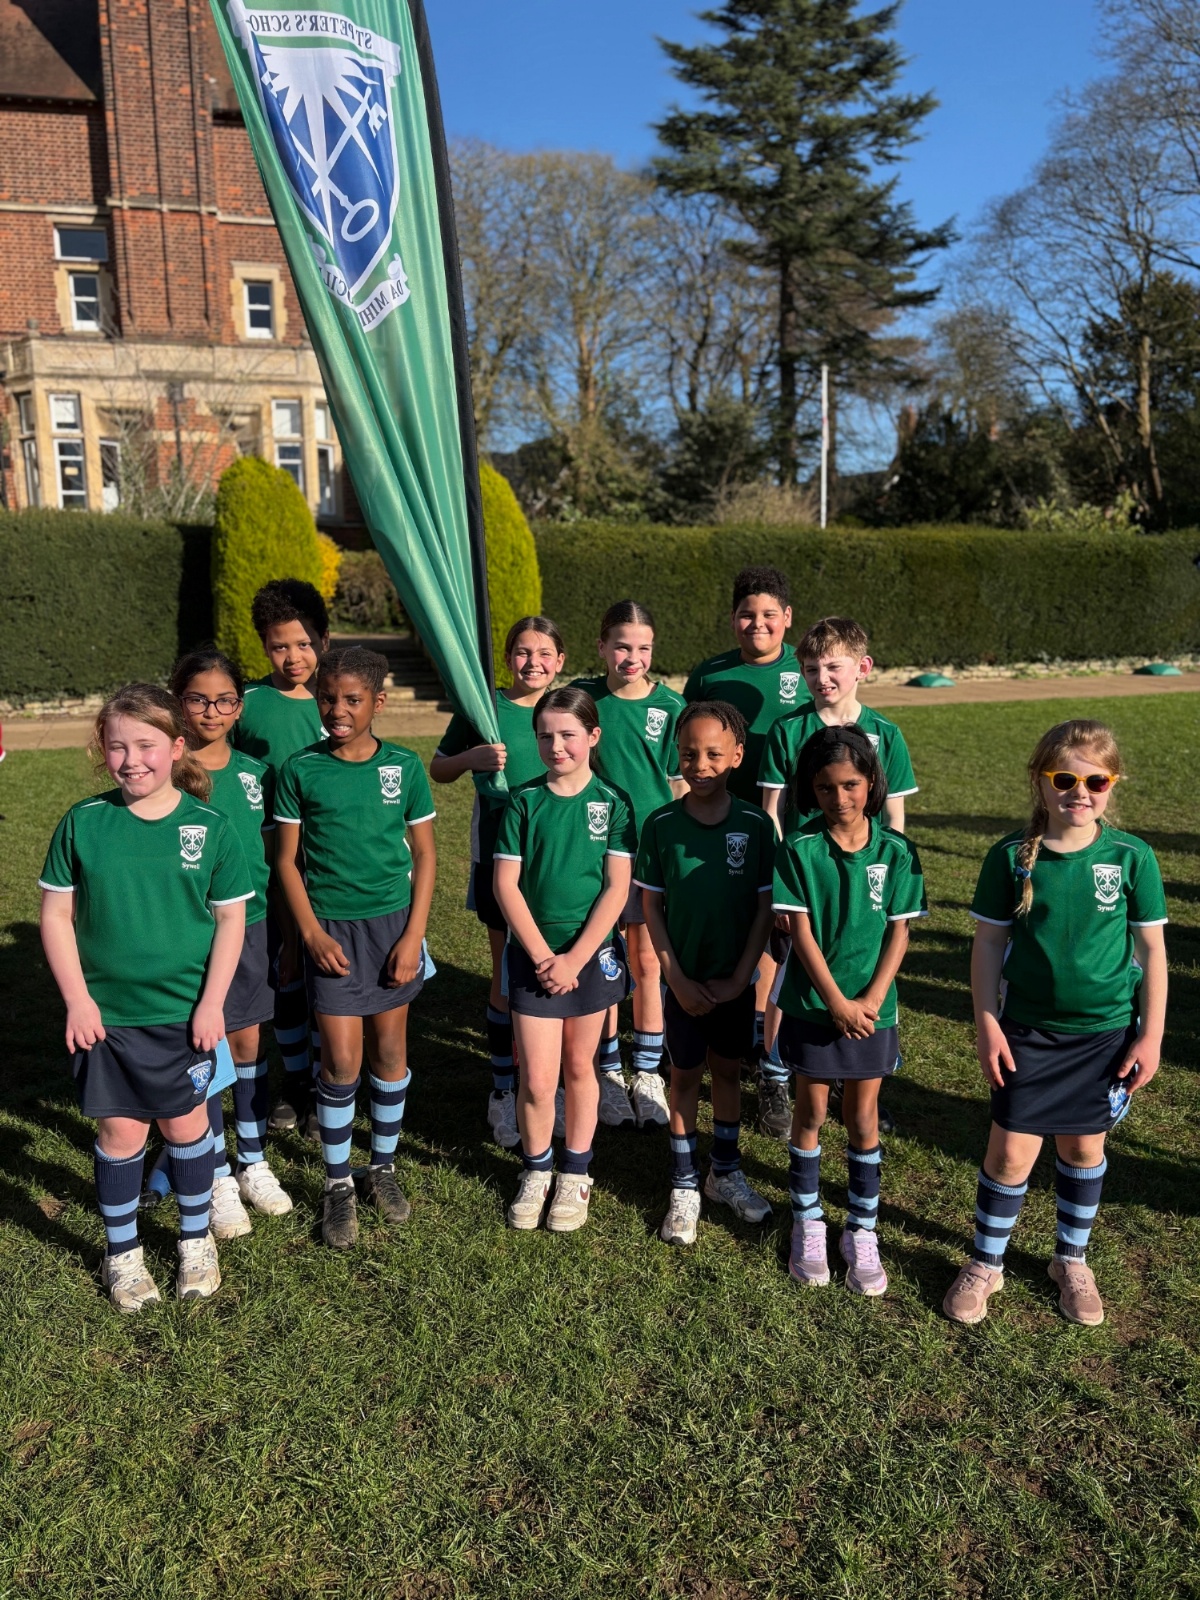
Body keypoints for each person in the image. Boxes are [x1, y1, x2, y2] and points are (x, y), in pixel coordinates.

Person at [943, 720, 1168, 1328]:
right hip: (1027, 1031)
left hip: (1105, 1035)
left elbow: (1151, 952)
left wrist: (1150, 1035)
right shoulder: (1009, 857)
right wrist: (987, 1023)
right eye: (1065, 779)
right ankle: (986, 1262)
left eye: (1096, 781)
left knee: (1083, 1146)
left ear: (1112, 783)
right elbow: (989, 945)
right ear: (1040, 782)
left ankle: (1071, 1258)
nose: (1080, 792)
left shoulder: (1131, 857)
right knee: (1010, 1154)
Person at [39, 684, 253, 1310]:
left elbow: (231, 920)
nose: (131, 760)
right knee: (120, 1134)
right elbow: (55, 916)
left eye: (146, 745)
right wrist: (78, 1000)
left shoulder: (210, 828)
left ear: (177, 747)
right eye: (117, 747)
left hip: (184, 1016)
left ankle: (194, 1241)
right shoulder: (83, 822)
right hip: (108, 1019)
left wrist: (211, 1004)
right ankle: (123, 1253)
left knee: (187, 1129)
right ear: (101, 750)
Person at [274, 646, 436, 1250]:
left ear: (378, 702)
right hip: (332, 931)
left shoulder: (404, 766)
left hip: (392, 928)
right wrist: (311, 933)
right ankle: (338, 1182)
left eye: (352, 699)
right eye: (327, 698)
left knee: (389, 1052)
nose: (337, 710)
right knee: (341, 1062)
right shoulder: (300, 769)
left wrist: (413, 936)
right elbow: (286, 862)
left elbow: (425, 856)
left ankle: (382, 1167)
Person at [773, 725, 926, 1297]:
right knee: (811, 1113)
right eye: (825, 787)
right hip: (816, 1007)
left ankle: (861, 1231)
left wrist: (870, 1001)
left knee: (862, 1120)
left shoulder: (897, 852)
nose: (839, 798)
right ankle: (808, 1223)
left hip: (872, 1011)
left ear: (872, 783)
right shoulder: (799, 849)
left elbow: (899, 933)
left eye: (851, 785)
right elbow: (800, 933)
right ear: (810, 790)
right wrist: (836, 1002)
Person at [757, 616, 919, 1139]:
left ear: (862, 667)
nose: (821, 677)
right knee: (789, 979)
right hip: (807, 883)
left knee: (866, 970)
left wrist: (889, 878)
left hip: (866, 881)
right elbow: (772, 812)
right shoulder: (788, 730)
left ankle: (857, 1082)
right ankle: (775, 1077)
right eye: (811, 669)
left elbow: (894, 817)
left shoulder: (886, 734)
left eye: (833, 666)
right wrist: (781, 889)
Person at [154, 649, 294, 1235]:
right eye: (197, 699)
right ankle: (213, 1172)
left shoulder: (257, 774)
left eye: (224, 700)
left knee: (246, 1042)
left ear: (239, 707)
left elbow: (276, 861)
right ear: (177, 702)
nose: (211, 711)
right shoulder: (164, 775)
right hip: (191, 934)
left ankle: (252, 1159)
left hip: (253, 926)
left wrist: (286, 933)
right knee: (202, 1048)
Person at [494, 686, 636, 1234]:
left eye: (568, 735)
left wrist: (576, 958)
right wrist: (542, 956)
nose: (556, 746)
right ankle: (536, 1170)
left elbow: (616, 887)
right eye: (545, 736)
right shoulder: (522, 801)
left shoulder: (614, 803)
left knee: (581, 1067)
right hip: (533, 959)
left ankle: (576, 1173)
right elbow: (506, 885)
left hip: (589, 959)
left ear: (593, 736)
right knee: (536, 1079)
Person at [635, 701, 776, 1245]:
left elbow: (764, 910)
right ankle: (684, 1183)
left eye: (714, 754)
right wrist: (674, 978)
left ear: (738, 755)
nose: (700, 765)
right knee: (684, 1076)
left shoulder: (756, 825)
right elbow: (651, 907)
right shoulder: (661, 824)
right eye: (689, 753)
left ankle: (725, 1172)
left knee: (728, 1073)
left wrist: (741, 980)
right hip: (684, 983)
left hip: (733, 982)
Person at [430, 616, 566, 1150]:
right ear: (507, 658)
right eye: (523, 652)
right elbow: (440, 768)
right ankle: (505, 1088)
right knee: (508, 971)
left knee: (557, 965)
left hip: (557, 859)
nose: (533, 662)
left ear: (560, 661)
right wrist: (474, 758)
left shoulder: (567, 709)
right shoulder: (482, 709)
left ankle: (550, 1084)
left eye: (545, 653)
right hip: (499, 858)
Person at [683, 566, 804, 1099]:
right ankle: (749, 1037)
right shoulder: (709, 673)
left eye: (769, 615)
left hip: (793, 825)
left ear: (788, 617)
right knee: (745, 925)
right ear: (732, 618)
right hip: (724, 823)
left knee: (787, 932)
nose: (758, 624)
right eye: (746, 614)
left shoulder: (807, 667)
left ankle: (779, 1045)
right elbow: (686, 741)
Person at [572, 600, 685, 1130]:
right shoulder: (583, 699)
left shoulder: (672, 706)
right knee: (603, 958)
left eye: (643, 648)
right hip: (595, 849)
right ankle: (609, 1068)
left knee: (647, 961)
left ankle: (647, 1069)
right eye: (621, 646)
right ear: (601, 647)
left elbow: (679, 784)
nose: (632, 657)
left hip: (651, 853)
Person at [231, 578, 331, 1135]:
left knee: (325, 977)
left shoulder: (338, 699)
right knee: (285, 973)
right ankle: (296, 1083)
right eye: (279, 646)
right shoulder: (246, 704)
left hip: (332, 865)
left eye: (304, 643)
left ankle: (327, 1081)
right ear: (264, 647)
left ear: (323, 640)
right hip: (269, 864)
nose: (293, 656)